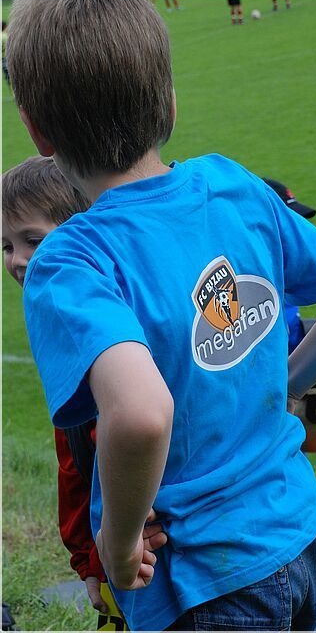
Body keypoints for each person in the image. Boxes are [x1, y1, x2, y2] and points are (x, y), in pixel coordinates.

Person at [7, 0, 316, 631]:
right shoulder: (234, 186)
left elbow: (141, 413)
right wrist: (284, 383)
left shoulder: (70, 261)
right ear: (170, 104)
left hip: (202, 580)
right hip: (303, 530)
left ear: (36, 131)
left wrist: (119, 543)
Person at [2, 156, 168, 630]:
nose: (17, 260)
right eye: (6, 246)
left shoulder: (123, 329)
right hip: (121, 557)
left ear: (84, 229)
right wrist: (90, 564)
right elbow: (75, 460)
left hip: (165, 549)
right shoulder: (63, 321)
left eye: (33, 240)